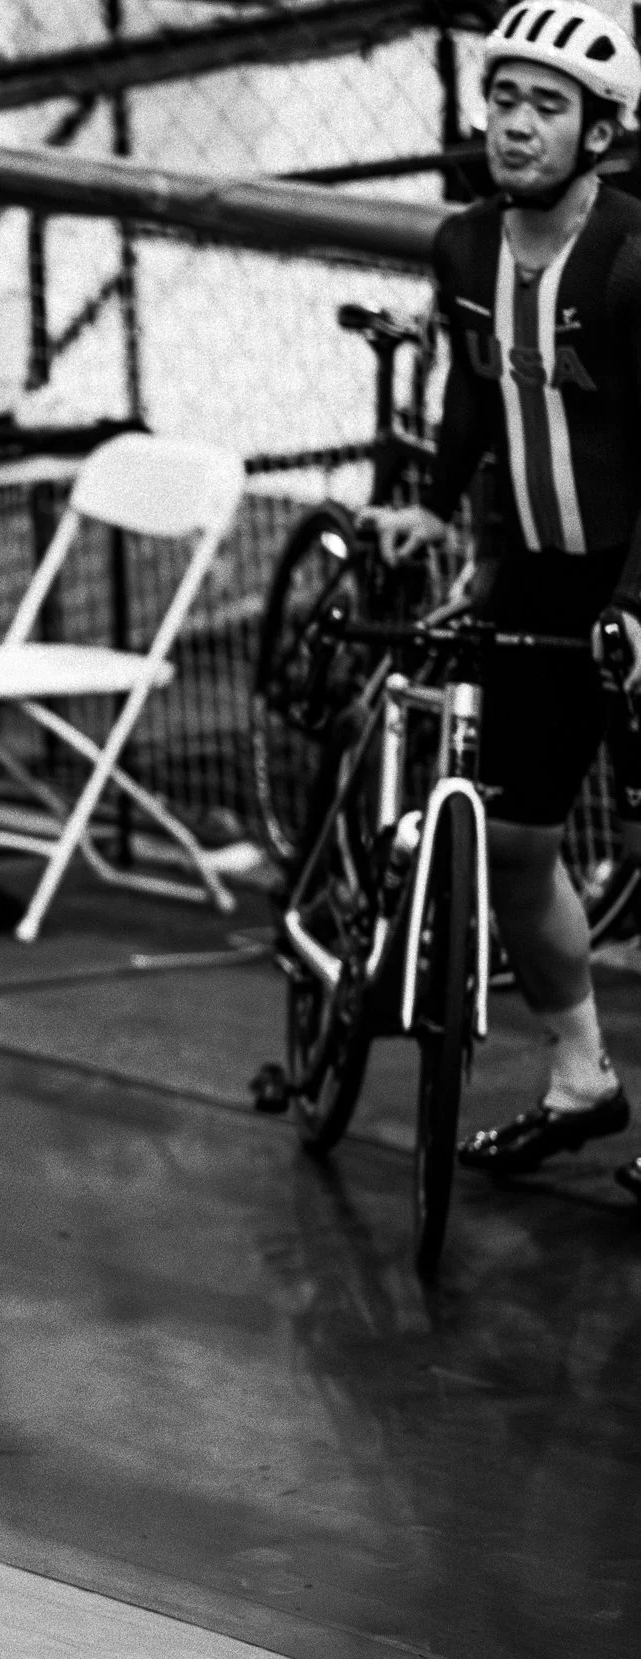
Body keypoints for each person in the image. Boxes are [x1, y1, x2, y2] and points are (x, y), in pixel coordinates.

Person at [371, 1, 641, 1200]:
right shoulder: (463, 248)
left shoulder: (634, 259)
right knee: (521, 845)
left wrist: (633, 604)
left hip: (634, 581)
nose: (517, 126)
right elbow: (474, 402)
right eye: (505, 100)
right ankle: (581, 1079)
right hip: (535, 576)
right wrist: (431, 500)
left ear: (600, 132)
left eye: (547, 106)